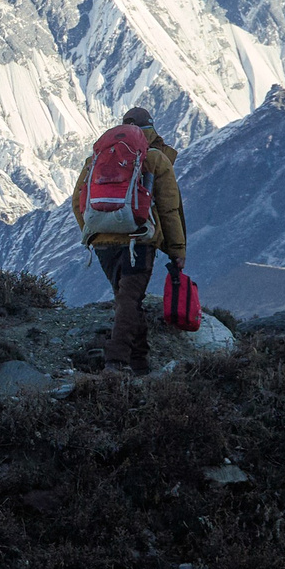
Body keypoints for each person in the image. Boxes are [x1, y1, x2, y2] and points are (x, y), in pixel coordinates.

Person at [70, 106, 188, 373]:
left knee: (127, 299)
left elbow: (77, 201)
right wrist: (176, 250)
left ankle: (139, 362)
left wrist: (91, 232)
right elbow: (170, 209)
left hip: (102, 242)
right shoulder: (156, 158)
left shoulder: (97, 158)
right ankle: (116, 361)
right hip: (139, 239)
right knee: (129, 300)